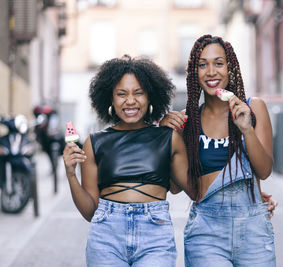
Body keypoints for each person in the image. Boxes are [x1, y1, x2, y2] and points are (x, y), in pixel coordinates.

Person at [62, 55, 195, 267]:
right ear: (110, 100)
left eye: (138, 93)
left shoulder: (168, 138)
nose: (130, 101)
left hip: (156, 238)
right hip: (106, 238)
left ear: (150, 97)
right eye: (121, 94)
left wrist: (246, 190)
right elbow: (90, 212)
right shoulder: (94, 143)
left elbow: (191, 190)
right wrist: (70, 174)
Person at [160, 34, 276, 266]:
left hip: (253, 228)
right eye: (202, 65)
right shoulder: (187, 122)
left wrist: (246, 129)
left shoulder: (254, 108)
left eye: (218, 63)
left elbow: (263, 171)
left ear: (230, 68)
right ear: (195, 73)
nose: (211, 71)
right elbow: (173, 189)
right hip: (206, 232)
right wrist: (167, 137)